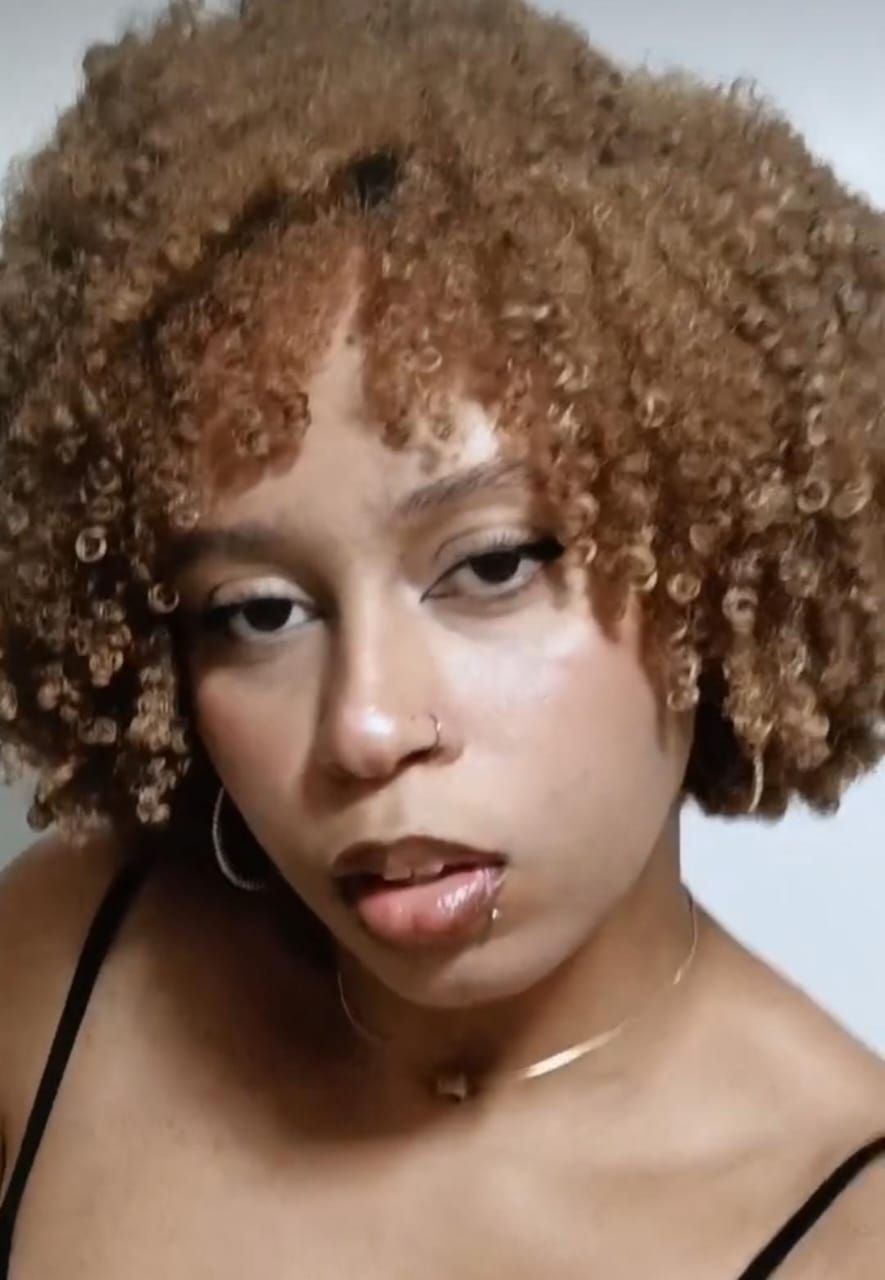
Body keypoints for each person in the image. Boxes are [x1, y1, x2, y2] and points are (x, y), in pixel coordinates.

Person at [0, 0, 883, 1273]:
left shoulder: (848, 1229)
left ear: (716, 547)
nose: (365, 726)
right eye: (259, 610)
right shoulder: (62, 970)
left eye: (492, 563)